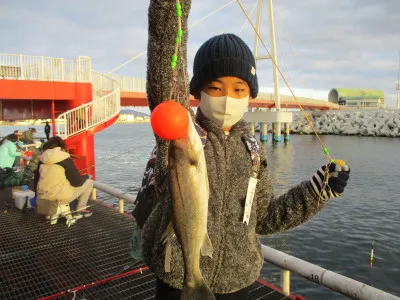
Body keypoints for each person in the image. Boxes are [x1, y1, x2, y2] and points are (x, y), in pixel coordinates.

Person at [134, 34, 351, 299]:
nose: (227, 98)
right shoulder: (178, 137)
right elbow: (163, 70)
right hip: (176, 281)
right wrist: (169, 8)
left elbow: (266, 218)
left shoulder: (253, 151)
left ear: (250, 94)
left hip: (238, 284)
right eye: (215, 88)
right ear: (196, 91)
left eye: (239, 89)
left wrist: (316, 192)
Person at [35, 136, 93, 220]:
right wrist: (86, 176)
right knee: (89, 182)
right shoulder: (65, 158)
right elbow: (77, 182)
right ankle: (81, 209)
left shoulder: (42, 159)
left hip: (43, 198)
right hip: (59, 198)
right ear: (62, 147)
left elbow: (37, 179)